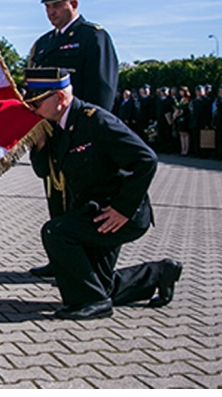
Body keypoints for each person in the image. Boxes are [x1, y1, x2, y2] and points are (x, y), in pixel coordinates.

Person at [24, 67, 182, 320]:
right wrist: (40, 144)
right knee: (98, 283)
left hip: (118, 214)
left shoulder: (95, 120)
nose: (31, 108)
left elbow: (146, 160)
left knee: (56, 232)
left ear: (60, 98)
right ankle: (158, 274)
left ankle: (91, 303)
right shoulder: (55, 127)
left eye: (36, 102)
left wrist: (123, 209)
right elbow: (43, 172)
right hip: (94, 213)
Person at [26, 0, 119, 279]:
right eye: (47, 6)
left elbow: (102, 91)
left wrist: (90, 133)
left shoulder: (93, 38)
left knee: (83, 198)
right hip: (50, 135)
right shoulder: (43, 44)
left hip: (79, 133)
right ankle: (61, 258)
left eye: (56, 4)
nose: (51, 11)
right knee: (55, 194)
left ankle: (86, 264)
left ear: (73, 3)